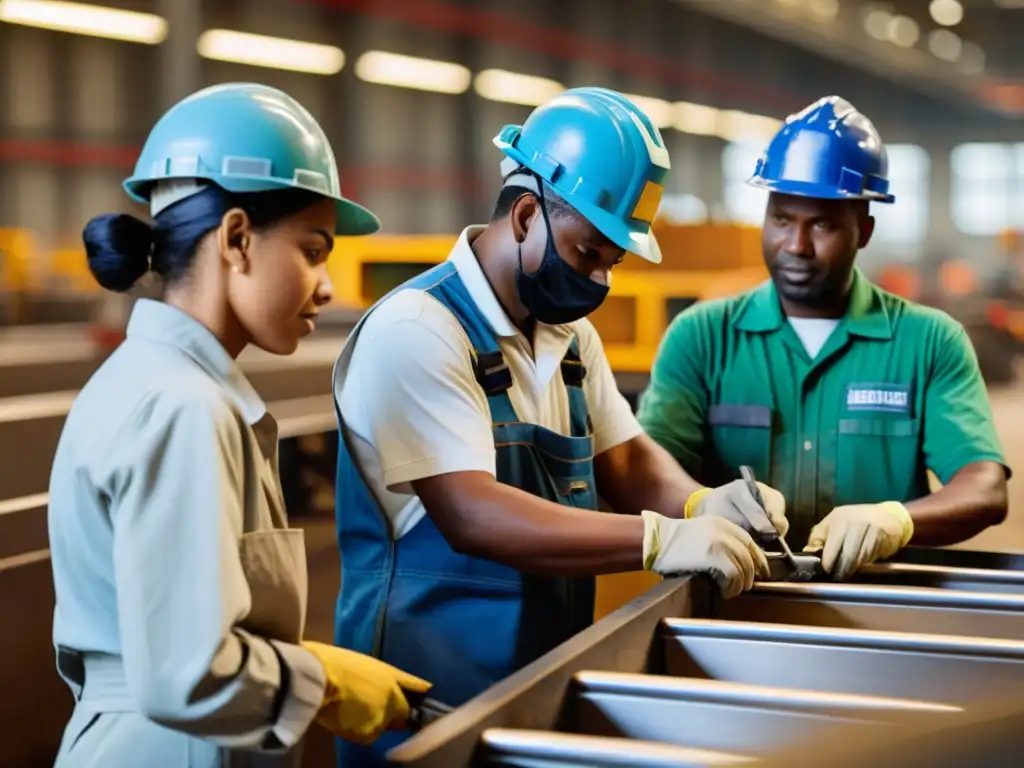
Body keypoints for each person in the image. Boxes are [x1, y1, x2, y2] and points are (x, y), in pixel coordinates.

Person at [330, 86, 790, 765]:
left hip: (537, 683)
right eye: (586, 253)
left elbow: (627, 462)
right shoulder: (418, 329)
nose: (600, 278)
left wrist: (702, 502)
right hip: (422, 699)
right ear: (524, 215)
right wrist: (659, 538)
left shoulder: (571, 340)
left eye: (613, 259)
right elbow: (471, 514)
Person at [47, 82, 430, 768]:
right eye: (314, 250)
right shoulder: (183, 408)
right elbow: (189, 671)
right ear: (236, 239)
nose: (328, 285)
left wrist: (301, 662)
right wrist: (324, 683)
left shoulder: (151, 383)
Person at [637, 95, 1010, 582]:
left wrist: (899, 521)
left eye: (823, 225)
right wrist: (701, 502)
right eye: (782, 219)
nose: (796, 246)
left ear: (865, 231)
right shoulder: (702, 337)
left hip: (883, 604)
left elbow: (984, 489)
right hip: (730, 605)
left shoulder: (929, 341)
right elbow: (643, 472)